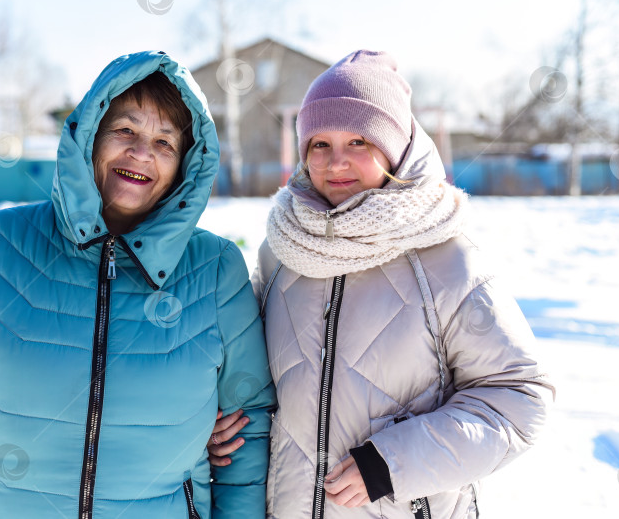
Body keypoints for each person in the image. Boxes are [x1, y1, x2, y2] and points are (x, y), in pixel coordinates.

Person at [0, 50, 275, 519]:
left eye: (165, 142)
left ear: (186, 166)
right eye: (125, 130)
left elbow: (249, 433)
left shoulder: (215, 270)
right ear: (89, 137)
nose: (142, 153)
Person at [210, 50, 554, 518]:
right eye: (319, 144)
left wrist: (390, 464)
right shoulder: (284, 254)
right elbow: (248, 375)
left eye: (359, 141)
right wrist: (215, 422)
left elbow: (519, 397)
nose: (336, 163)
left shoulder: (448, 260)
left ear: (398, 148)